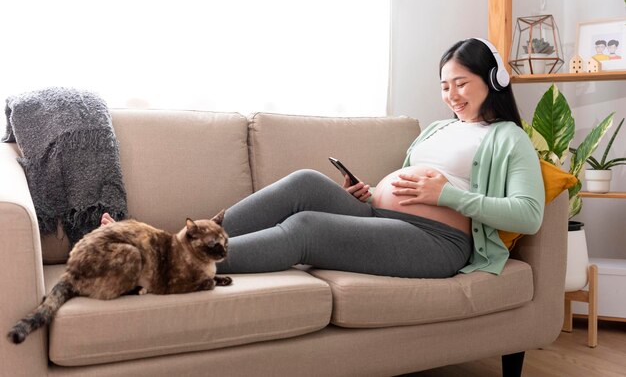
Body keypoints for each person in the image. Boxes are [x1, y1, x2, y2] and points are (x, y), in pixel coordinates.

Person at [102, 38, 544, 278]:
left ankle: (165, 262)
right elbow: (408, 184)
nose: (451, 95)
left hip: (437, 243)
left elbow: (528, 215)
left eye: (462, 84)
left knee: (306, 229)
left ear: (492, 80)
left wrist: (448, 196)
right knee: (305, 183)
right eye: (445, 86)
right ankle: (168, 241)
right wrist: (370, 193)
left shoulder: (508, 138)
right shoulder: (439, 128)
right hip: (382, 217)